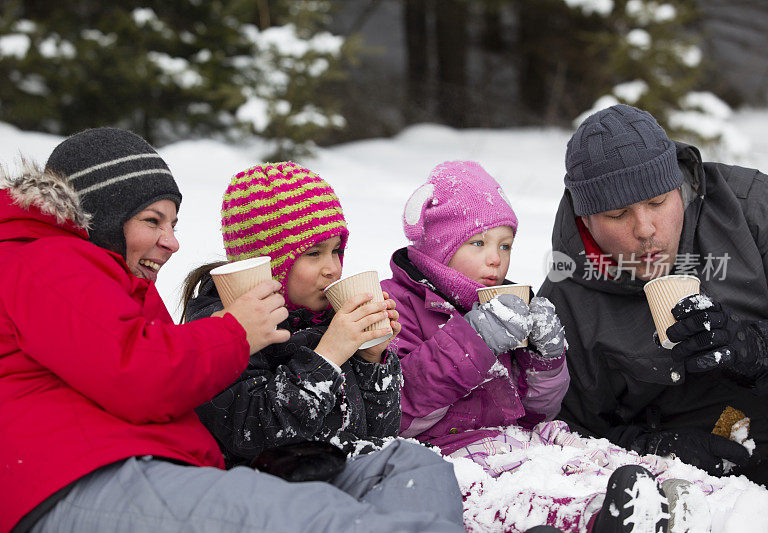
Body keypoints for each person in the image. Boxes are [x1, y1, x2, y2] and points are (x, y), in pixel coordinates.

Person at [0, 130, 463, 533]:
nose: (173, 240)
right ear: (98, 217)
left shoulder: (105, 282)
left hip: (156, 467)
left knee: (414, 470)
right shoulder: (43, 262)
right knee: (321, 521)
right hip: (70, 479)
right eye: (151, 220)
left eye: (175, 221)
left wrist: (370, 358)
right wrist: (240, 334)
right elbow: (143, 376)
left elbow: (376, 432)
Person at [381, 160, 673, 533]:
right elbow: (401, 411)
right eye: (478, 243)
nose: (495, 258)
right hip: (448, 455)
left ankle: (670, 495)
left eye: (505, 245)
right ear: (439, 247)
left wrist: (545, 358)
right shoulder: (395, 304)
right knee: (513, 499)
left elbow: (537, 413)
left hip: (516, 439)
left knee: (589, 457)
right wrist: (475, 341)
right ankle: (601, 520)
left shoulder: (500, 303)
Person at [538, 103, 765, 483]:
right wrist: (657, 448)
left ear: (680, 187)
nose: (645, 230)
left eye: (657, 202)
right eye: (616, 215)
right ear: (587, 221)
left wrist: (752, 345)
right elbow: (563, 435)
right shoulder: (565, 302)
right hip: (689, 479)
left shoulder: (751, 209)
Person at [182, 161, 406, 463]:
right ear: (269, 263)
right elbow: (253, 436)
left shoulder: (325, 318)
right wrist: (326, 357)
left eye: (337, 250)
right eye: (314, 253)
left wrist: (371, 359)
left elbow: (382, 435)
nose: (333, 269)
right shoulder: (224, 328)